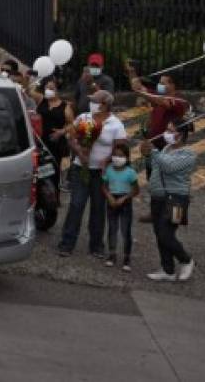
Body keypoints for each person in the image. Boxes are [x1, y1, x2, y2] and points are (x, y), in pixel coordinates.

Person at [58, 90, 128, 258]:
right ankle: (67, 244)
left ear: (104, 104)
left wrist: (108, 160)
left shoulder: (115, 124)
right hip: (80, 168)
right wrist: (79, 152)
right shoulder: (83, 118)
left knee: (98, 209)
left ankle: (96, 246)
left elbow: (121, 149)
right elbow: (71, 137)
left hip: (100, 173)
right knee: (76, 205)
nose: (91, 103)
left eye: (95, 100)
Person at [141, 122, 196, 282]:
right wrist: (147, 155)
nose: (166, 133)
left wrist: (154, 152)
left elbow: (169, 167)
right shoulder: (165, 150)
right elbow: (155, 166)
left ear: (180, 135)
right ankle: (168, 270)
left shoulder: (188, 154)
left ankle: (186, 260)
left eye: (170, 130)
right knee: (159, 234)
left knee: (166, 234)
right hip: (158, 198)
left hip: (177, 199)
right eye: (166, 129)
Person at [127, 66, 189, 154]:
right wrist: (132, 73)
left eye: (163, 83)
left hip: (168, 146)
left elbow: (163, 102)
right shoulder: (158, 95)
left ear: (172, 85)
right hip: (153, 144)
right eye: (160, 83)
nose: (159, 86)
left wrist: (143, 93)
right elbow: (138, 88)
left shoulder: (179, 100)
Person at [32, 77, 74, 193]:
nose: (48, 90)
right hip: (40, 142)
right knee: (39, 172)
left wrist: (61, 132)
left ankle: (54, 198)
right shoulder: (41, 100)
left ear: (57, 90)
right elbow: (30, 91)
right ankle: (40, 199)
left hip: (55, 144)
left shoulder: (65, 106)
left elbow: (72, 124)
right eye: (46, 88)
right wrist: (38, 81)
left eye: (52, 88)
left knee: (53, 172)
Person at [101, 144, 139, 272]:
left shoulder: (130, 172)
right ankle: (112, 255)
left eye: (121, 156)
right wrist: (109, 197)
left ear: (127, 158)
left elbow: (136, 190)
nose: (117, 158)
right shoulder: (109, 170)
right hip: (111, 201)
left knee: (125, 231)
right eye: (115, 155)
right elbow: (104, 186)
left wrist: (125, 198)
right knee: (112, 228)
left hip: (125, 202)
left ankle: (126, 258)